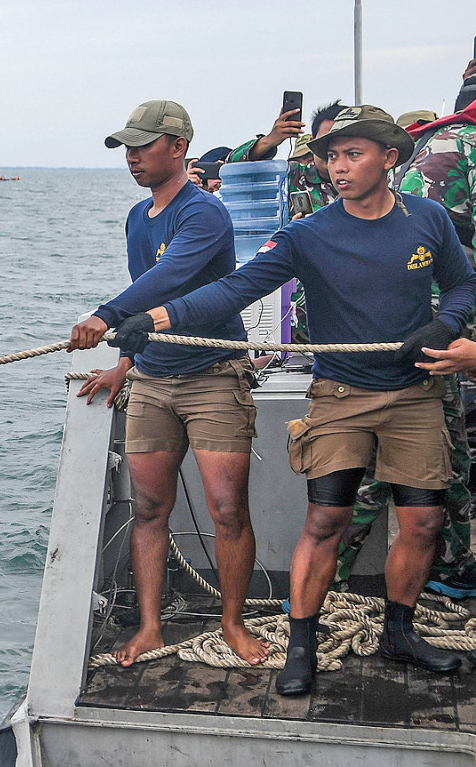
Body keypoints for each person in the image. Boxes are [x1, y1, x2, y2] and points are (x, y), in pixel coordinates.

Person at [117, 105, 476, 696]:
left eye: (352, 154)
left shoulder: (430, 220)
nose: (337, 167)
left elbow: (461, 284)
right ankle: (302, 644)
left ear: (390, 158)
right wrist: (153, 319)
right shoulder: (308, 234)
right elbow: (235, 287)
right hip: (340, 394)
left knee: (423, 521)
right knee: (325, 520)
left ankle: (399, 631)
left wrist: (447, 325)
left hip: (416, 393)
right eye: (331, 156)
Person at [68, 99, 269, 668]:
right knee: (150, 506)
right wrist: (125, 363)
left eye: (142, 146)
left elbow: (171, 277)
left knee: (228, 509)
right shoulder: (137, 217)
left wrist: (103, 316)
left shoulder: (204, 213)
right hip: (153, 379)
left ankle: (233, 623)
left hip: (212, 376)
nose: (131, 158)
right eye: (127, 148)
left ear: (177, 147)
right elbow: (147, 298)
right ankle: (150, 626)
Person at [337, 60, 476, 598]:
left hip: (427, 327)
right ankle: (335, 581)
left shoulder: (436, 145)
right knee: (398, 467)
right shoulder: (457, 154)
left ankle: (458, 565)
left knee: (453, 458)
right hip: (444, 334)